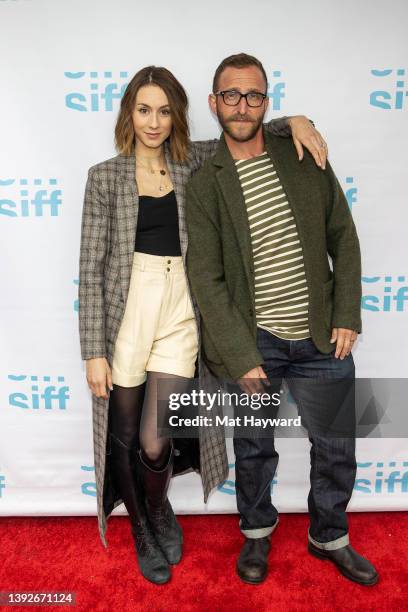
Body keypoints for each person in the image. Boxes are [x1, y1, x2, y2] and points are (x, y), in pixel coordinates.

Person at [78, 64, 328, 585]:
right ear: (129, 112)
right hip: (128, 309)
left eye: (164, 111)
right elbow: (91, 267)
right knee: (123, 434)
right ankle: (143, 528)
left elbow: (247, 124)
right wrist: (93, 351)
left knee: (155, 439)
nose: (153, 122)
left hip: (177, 308)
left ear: (178, 116)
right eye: (143, 110)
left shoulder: (195, 163)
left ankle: (159, 505)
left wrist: (296, 120)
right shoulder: (105, 176)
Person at [185, 53, 378, 586]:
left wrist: (346, 313)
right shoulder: (205, 185)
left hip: (321, 336)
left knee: (338, 445)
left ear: (266, 102)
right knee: (253, 450)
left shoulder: (300, 153)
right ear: (213, 102)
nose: (241, 106)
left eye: (253, 96)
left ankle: (329, 536)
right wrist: (240, 355)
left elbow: (343, 235)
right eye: (230, 95)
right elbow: (208, 280)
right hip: (255, 342)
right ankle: (255, 534)